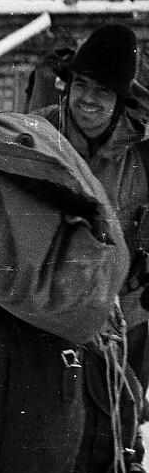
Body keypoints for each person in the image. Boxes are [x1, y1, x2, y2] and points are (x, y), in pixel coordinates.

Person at [35, 23, 149, 378]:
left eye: (102, 90)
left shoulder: (142, 158)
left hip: (125, 319)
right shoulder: (36, 135)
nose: (87, 98)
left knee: (120, 420)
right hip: (45, 314)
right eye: (81, 83)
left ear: (119, 102)